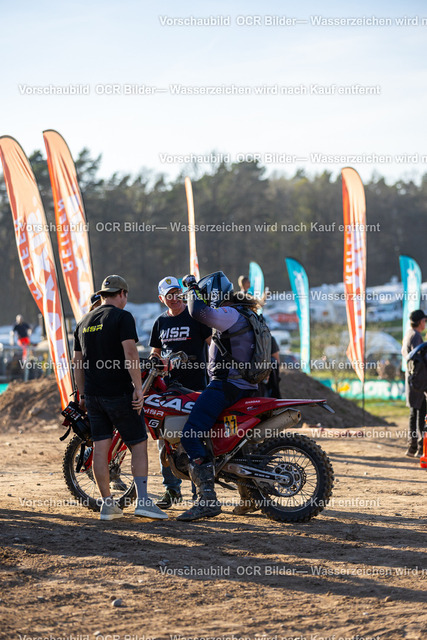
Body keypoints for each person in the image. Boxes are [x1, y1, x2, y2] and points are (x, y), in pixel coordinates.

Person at [73, 274, 167, 521]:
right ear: (122, 294)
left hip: (93, 395)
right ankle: (143, 502)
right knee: (138, 444)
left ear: (103, 295)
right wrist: (138, 388)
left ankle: (107, 505)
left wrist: (82, 394)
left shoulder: (83, 321)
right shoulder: (122, 317)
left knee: (100, 448)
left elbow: (77, 362)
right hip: (119, 393)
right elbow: (131, 353)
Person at [176, 271, 260, 522]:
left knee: (190, 435)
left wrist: (191, 288)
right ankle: (250, 496)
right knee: (235, 444)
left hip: (226, 386)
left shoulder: (229, 313)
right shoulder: (246, 313)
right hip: (245, 386)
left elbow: (198, 312)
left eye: (205, 294)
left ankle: (207, 501)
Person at [149, 276, 211, 509]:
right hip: (168, 389)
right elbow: (155, 352)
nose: (174, 298)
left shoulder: (195, 317)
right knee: (165, 439)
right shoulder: (160, 322)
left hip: (196, 388)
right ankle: (172, 490)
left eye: (177, 293)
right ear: (161, 298)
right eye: (169, 295)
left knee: (196, 439)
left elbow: (212, 344)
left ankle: (199, 492)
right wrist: (155, 361)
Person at [402, 309, 427, 457]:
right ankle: (420, 447)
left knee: (414, 413)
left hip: (411, 379)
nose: (425, 323)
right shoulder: (416, 336)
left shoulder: (408, 334)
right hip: (419, 380)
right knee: (421, 413)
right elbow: (421, 360)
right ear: (420, 321)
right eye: (424, 321)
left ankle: (412, 447)